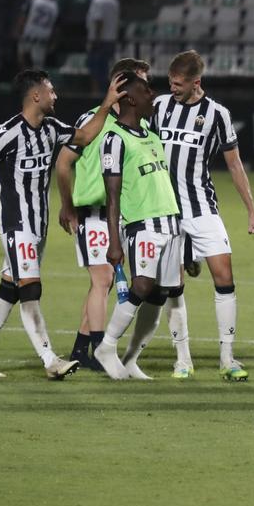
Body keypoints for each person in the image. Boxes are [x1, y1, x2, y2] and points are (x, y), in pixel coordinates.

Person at [0, 70, 124, 379]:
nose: (55, 96)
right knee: (30, 288)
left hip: (38, 226)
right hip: (15, 224)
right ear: (36, 95)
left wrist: (105, 105)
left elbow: (85, 136)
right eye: (51, 91)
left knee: (9, 290)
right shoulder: (5, 133)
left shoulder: (51, 128)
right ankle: (50, 359)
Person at [148, 50, 254, 381]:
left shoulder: (216, 115)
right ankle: (182, 358)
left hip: (202, 208)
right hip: (165, 212)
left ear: (196, 82)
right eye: (170, 82)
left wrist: (252, 210)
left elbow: (234, 164)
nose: (173, 88)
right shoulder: (158, 107)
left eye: (179, 84)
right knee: (174, 285)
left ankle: (227, 357)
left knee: (224, 276)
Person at [56, 58, 151, 372]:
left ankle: (81, 348)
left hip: (119, 216)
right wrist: (67, 205)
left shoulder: (139, 125)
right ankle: (100, 350)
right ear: (121, 87)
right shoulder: (93, 120)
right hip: (94, 214)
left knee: (104, 283)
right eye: (141, 83)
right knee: (104, 278)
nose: (146, 89)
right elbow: (63, 162)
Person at [90, 74, 184, 379]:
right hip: (142, 225)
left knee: (159, 295)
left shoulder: (150, 135)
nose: (152, 95)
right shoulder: (114, 139)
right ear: (130, 98)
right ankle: (106, 346)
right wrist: (113, 241)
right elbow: (113, 195)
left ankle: (130, 359)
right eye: (146, 90)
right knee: (142, 285)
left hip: (170, 223)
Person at [85, 0, 120, 95]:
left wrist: (96, 39)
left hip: (99, 40)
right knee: (107, 70)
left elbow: (99, 20)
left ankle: (95, 94)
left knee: (95, 69)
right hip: (111, 40)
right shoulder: (114, 1)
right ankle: (106, 95)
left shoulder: (98, 0)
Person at [15, 0, 58, 69]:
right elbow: (56, 28)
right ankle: (33, 80)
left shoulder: (34, 0)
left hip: (29, 35)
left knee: (22, 59)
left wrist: (18, 30)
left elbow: (23, 16)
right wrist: (54, 43)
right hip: (42, 38)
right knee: (37, 66)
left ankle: (26, 79)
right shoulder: (55, 6)